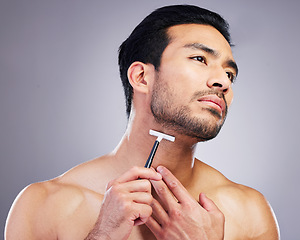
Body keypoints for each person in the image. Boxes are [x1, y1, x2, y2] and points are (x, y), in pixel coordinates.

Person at [5, 4, 280, 240]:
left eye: (230, 74)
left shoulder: (248, 213)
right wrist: (101, 235)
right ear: (141, 77)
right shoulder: (44, 205)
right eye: (199, 58)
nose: (222, 82)